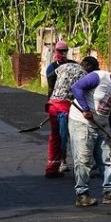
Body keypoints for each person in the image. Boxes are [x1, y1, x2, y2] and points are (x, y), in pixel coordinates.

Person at [68, 65, 111, 206]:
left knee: (107, 159)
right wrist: (85, 109)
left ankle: (110, 193)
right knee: (83, 160)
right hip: (81, 123)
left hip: (101, 126)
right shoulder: (98, 77)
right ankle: (82, 195)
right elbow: (76, 88)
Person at [44, 41, 78, 177]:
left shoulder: (73, 65)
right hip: (59, 105)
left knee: (74, 135)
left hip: (73, 104)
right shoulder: (51, 69)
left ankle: (78, 163)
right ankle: (61, 161)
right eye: (60, 51)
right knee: (60, 135)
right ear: (55, 52)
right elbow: (51, 89)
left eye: (64, 51)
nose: (62, 54)